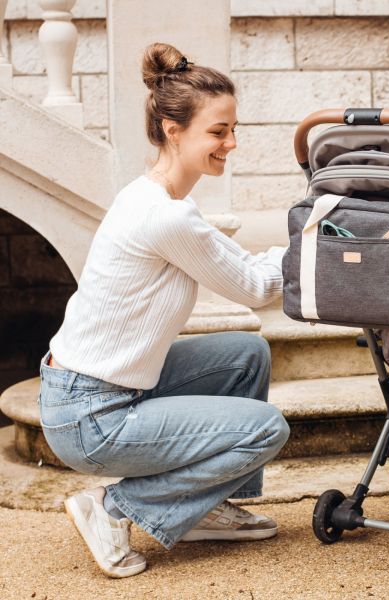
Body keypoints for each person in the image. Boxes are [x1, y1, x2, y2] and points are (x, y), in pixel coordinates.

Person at [38, 42, 290, 579]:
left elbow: (246, 264)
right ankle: (111, 509)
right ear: (174, 130)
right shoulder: (165, 218)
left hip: (90, 389)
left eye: (233, 129)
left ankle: (205, 506)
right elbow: (255, 286)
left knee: (246, 353)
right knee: (264, 429)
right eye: (218, 131)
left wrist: (298, 239)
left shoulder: (161, 201)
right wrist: (315, 242)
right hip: (92, 417)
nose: (231, 143)